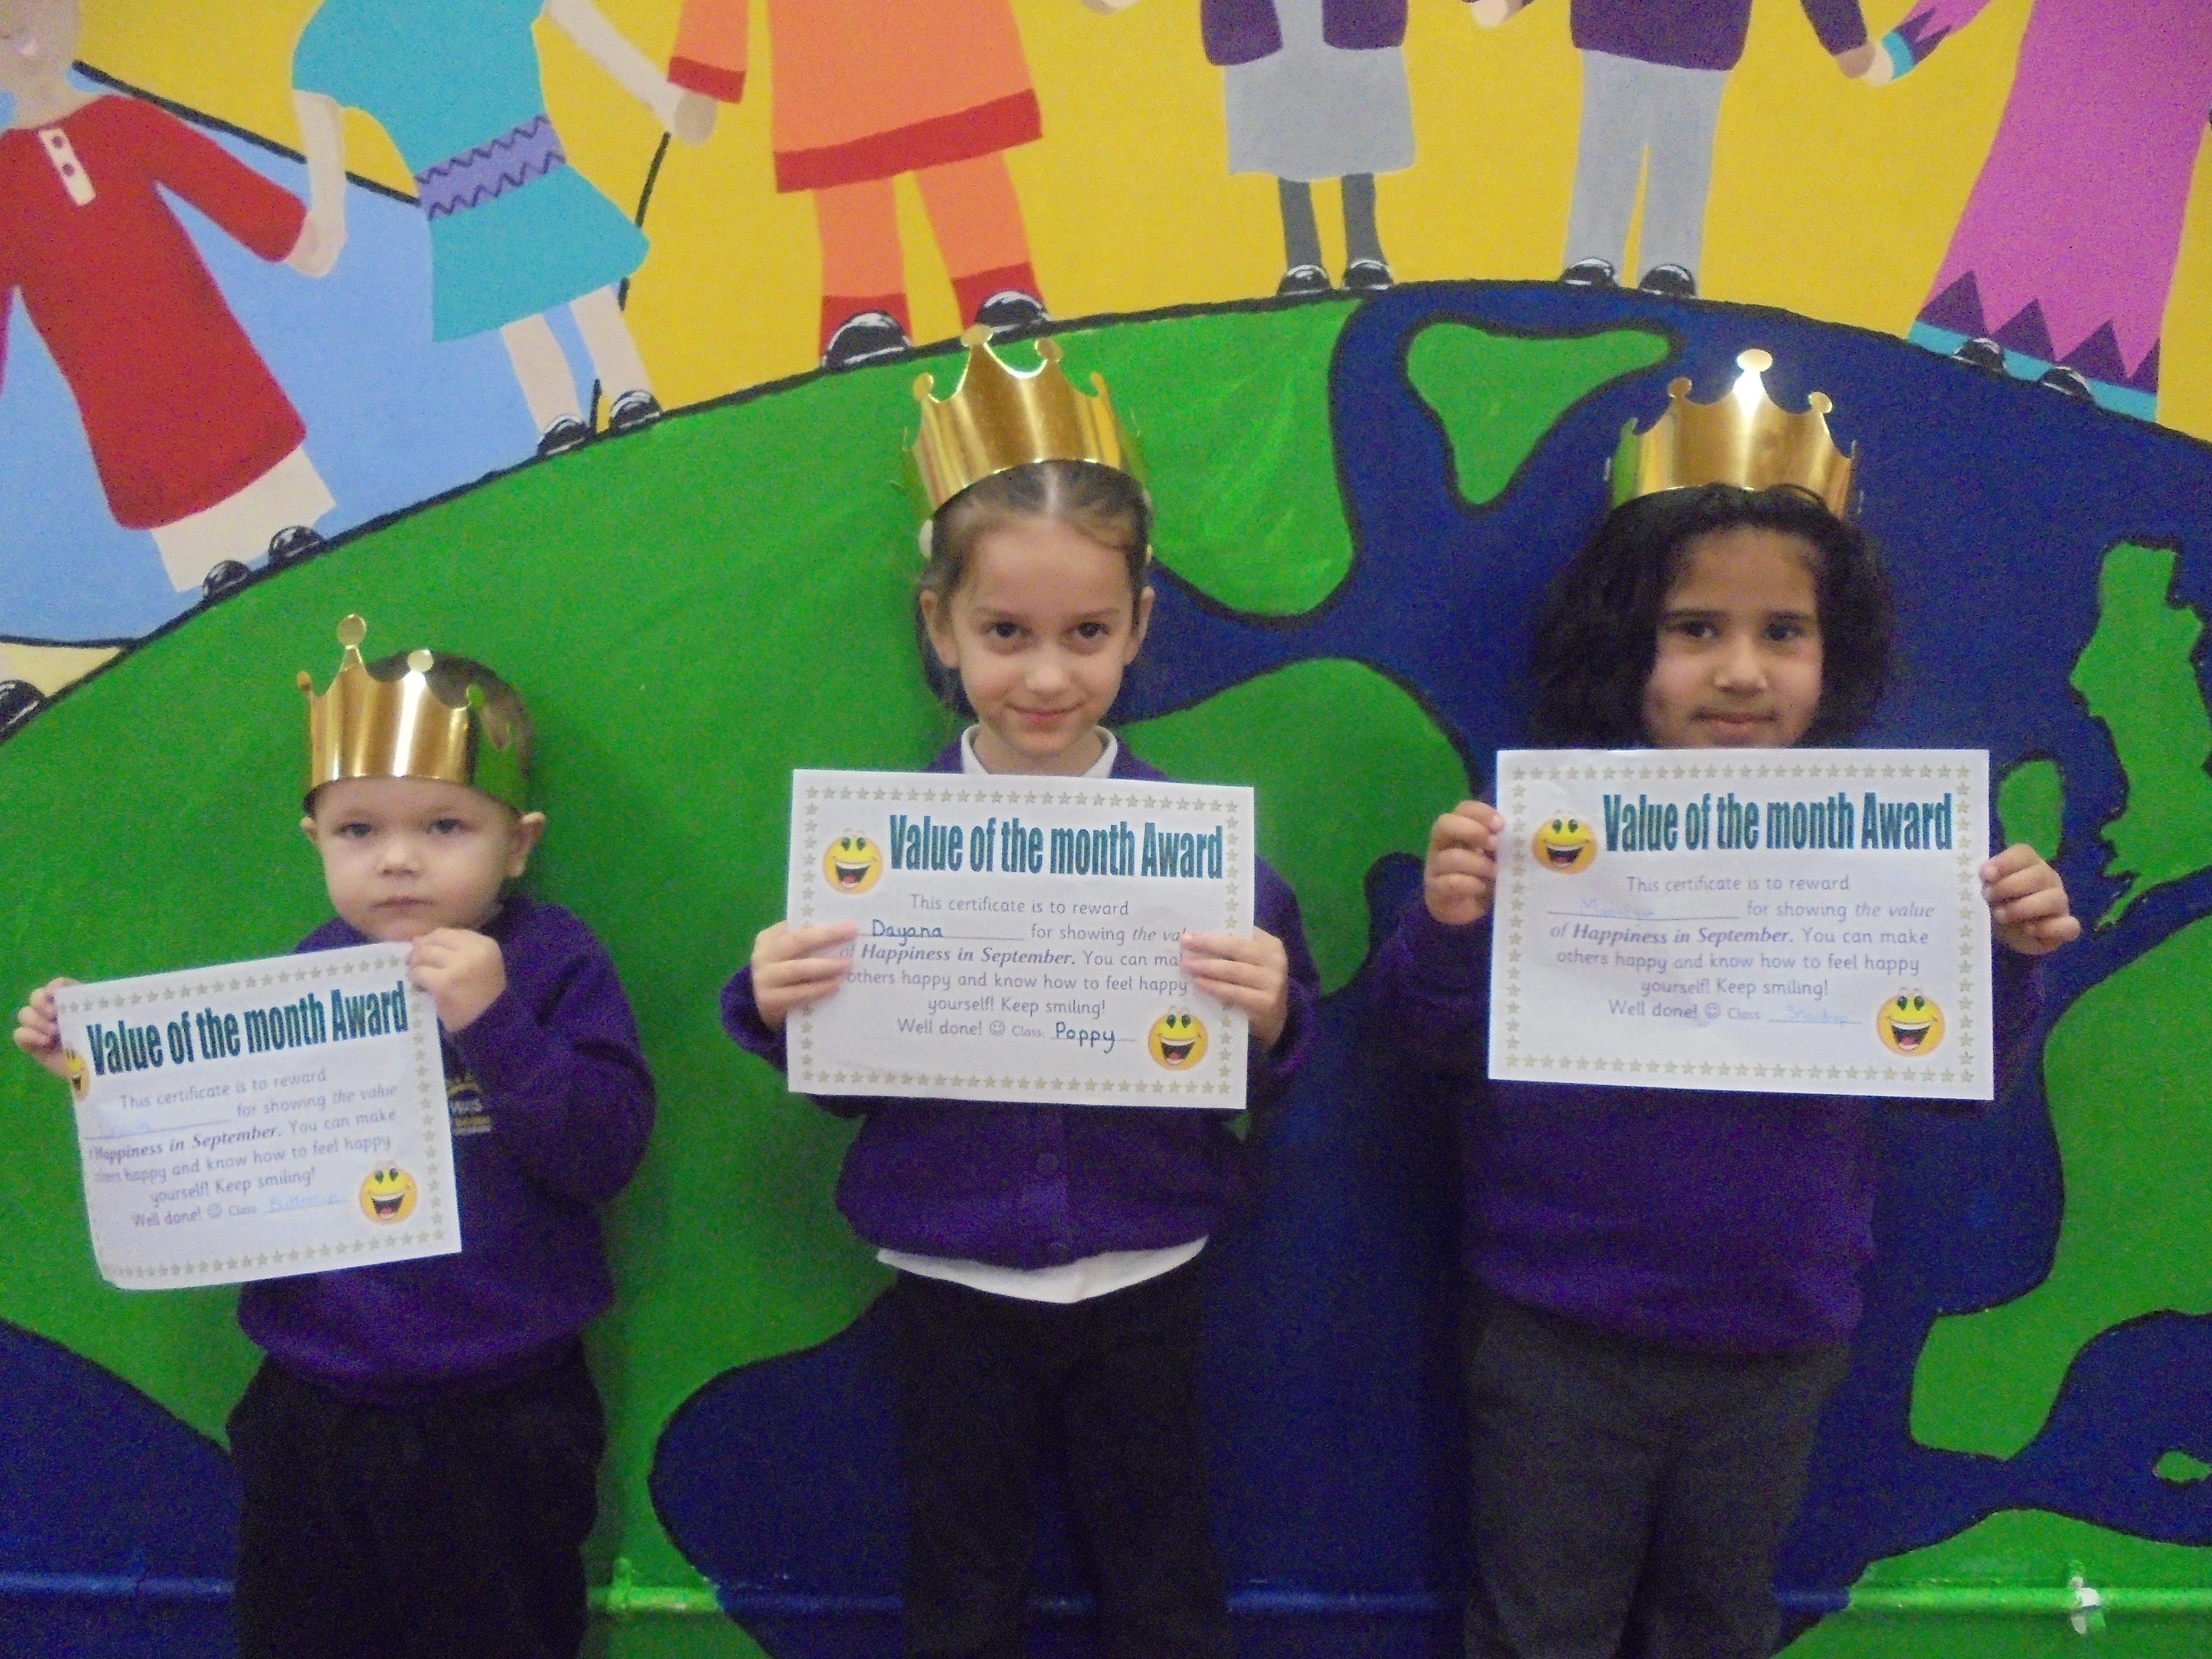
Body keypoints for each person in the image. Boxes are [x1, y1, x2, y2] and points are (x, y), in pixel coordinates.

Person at [1371, 481, 2078, 1658]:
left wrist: (2004, 952)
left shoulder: (1884, 842)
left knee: (1717, 1624)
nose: (1741, 672)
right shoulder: (1539, 833)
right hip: (1559, 1327)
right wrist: (1450, 926)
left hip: (1774, 1335)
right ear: (1626, 644)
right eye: (1695, 629)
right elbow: (1424, 1038)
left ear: (1831, 654)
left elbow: (1960, 1075)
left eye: (1783, 632)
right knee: (1541, 1627)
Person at [723, 337, 1319, 1656]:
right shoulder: (875, 847)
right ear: (938, 626)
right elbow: (844, 1082)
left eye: (1085, 634)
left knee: (1162, 1569)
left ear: (1138, 628)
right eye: (1005, 633)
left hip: (1149, 1264)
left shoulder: (1200, 851)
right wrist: (774, 1005)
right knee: (960, 1575)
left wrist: (1275, 1012)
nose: (1046, 675)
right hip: (949, 1271)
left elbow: (1275, 1051)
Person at [14, 619, 655, 1659]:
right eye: (359, 831)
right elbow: (225, 1159)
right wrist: (102, 1063)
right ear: (316, 840)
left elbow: (603, 1154)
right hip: (311, 1404)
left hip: (502, 1410)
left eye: (444, 826)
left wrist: (495, 1024)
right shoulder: (298, 980)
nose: (398, 860)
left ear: (517, 843)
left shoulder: (552, 963)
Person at [0, 0, 334, 602]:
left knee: (237, 413)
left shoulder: (122, 120)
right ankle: (211, 561)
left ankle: (291, 524)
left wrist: (287, 232)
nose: (17, 41)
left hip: (192, 326)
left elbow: (211, 177)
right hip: (107, 373)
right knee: (152, 455)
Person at [291, 0, 715, 456]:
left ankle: (626, 389)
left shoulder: (340, 30)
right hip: (462, 199)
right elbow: (312, 85)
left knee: (581, 283)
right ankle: (559, 415)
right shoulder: (345, 26)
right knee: (514, 307)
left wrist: (662, 98)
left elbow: (585, 26)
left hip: (531, 167)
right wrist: (329, 214)